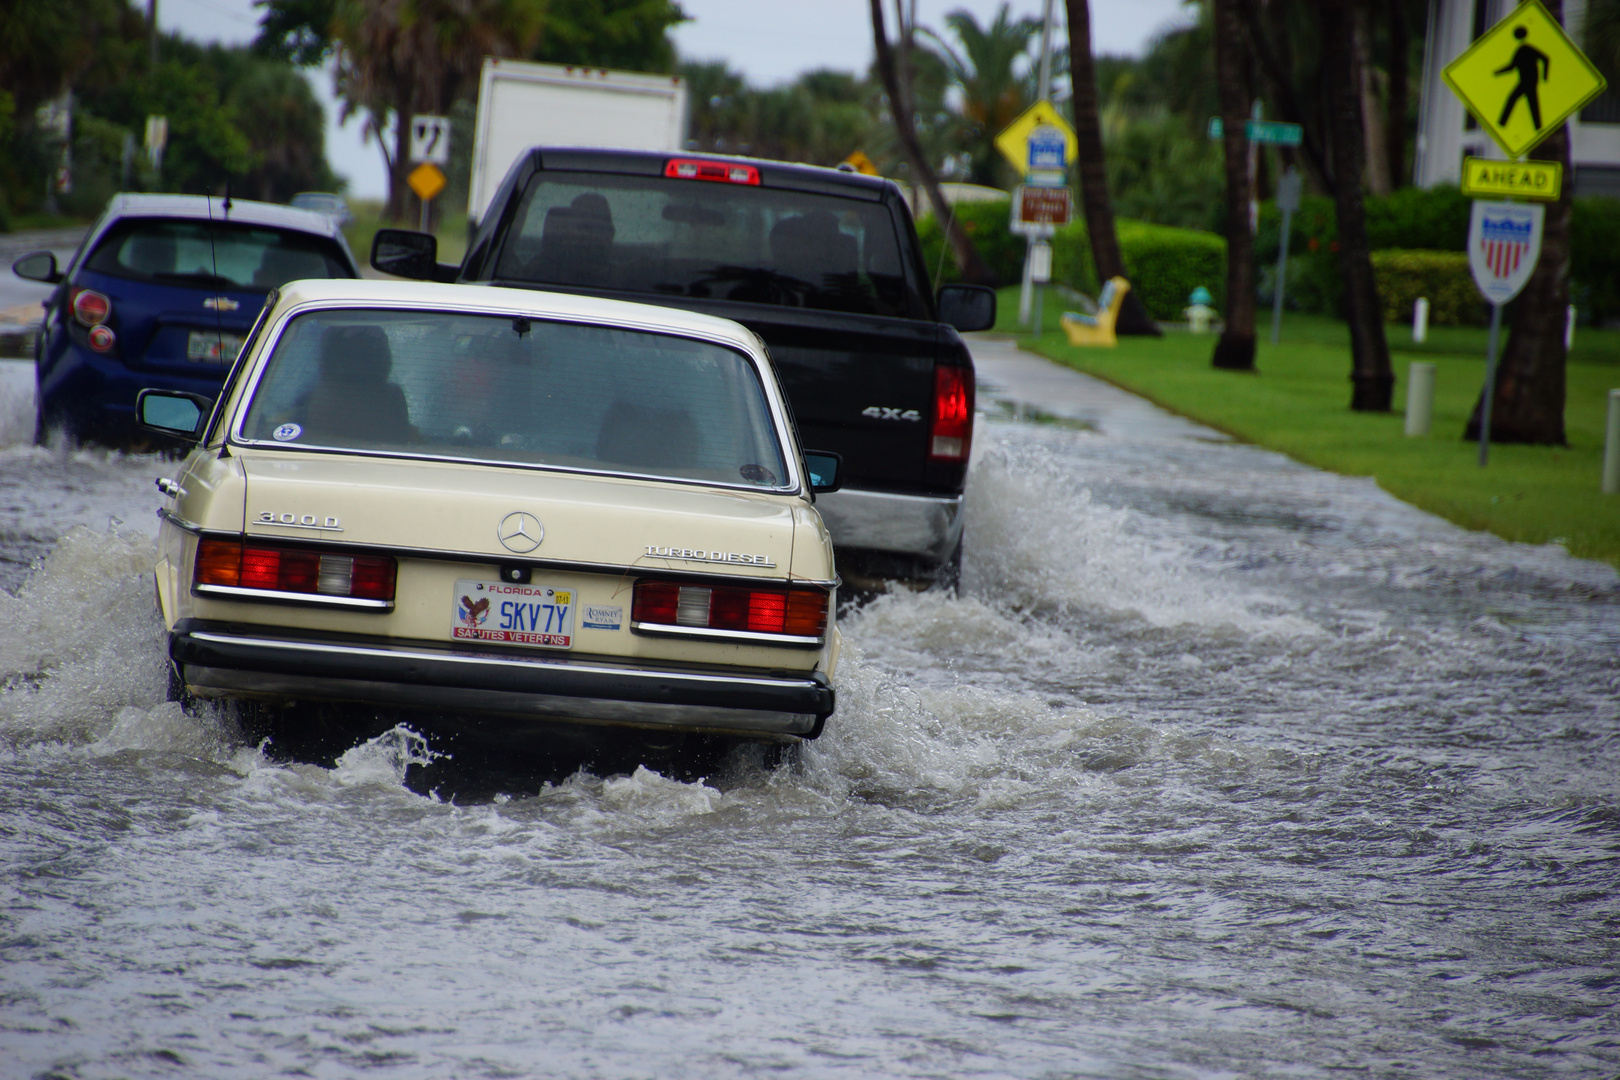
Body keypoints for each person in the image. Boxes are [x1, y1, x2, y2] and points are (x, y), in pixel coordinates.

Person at [1496, 26, 1550, 131]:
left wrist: (1545, 76)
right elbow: (1512, 67)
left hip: (1528, 81)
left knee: (1515, 99)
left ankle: (1502, 123)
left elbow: (1546, 59)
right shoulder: (1521, 50)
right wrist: (1497, 72)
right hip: (1527, 81)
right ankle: (1538, 127)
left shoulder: (1526, 49)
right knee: (1531, 103)